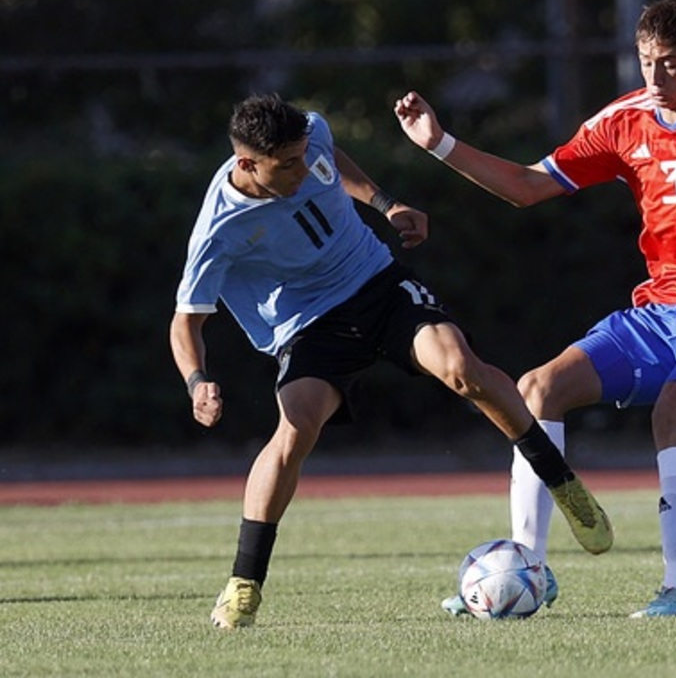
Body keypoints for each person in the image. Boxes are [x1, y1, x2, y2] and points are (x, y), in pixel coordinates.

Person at [394, 0, 676, 618]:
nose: (655, 77)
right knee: (537, 389)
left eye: (669, 63)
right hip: (660, 313)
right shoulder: (624, 121)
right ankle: (527, 570)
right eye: (645, 62)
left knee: (674, 412)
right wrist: (440, 144)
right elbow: (528, 187)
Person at [170, 94, 613, 630]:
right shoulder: (220, 228)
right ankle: (244, 582)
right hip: (310, 327)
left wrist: (385, 204)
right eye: (286, 166)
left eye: (303, 157)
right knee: (294, 428)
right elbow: (186, 321)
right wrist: (198, 381)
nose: (302, 170)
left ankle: (562, 482)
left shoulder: (311, 134)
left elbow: (335, 162)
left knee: (461, 369)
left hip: (377, 283)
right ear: (246, 164)